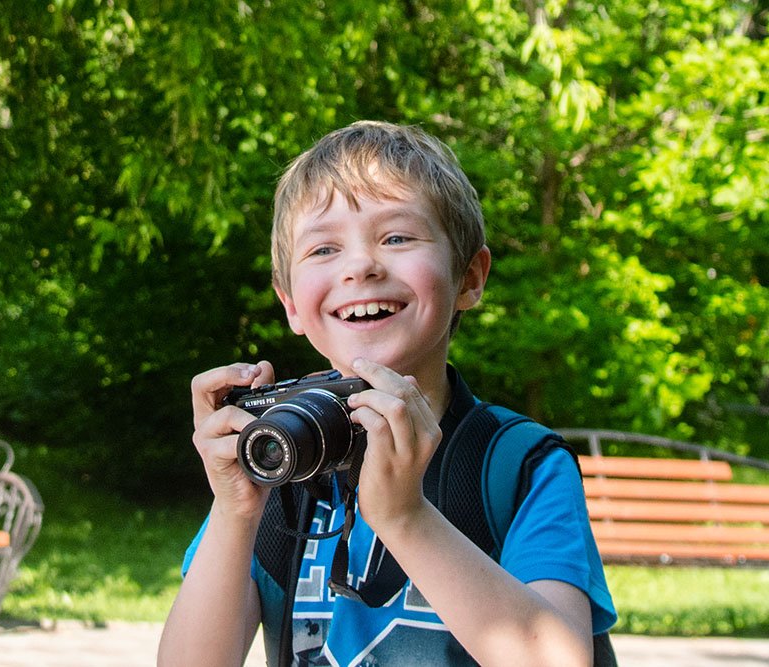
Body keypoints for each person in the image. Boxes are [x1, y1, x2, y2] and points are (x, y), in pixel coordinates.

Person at [158, 121, 616, 666]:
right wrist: (234, 511)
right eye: (324, 249)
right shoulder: (280, 461)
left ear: (470, 278)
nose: (361, 267)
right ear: (291, 305)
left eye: (396, 237)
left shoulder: (518, 466)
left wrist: (405, 517)